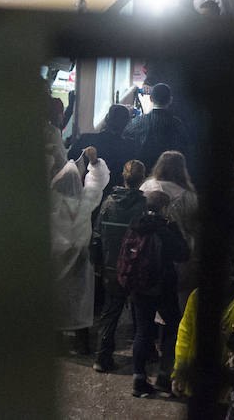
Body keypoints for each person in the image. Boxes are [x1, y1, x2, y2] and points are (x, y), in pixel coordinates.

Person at [121, 190, 190, 398]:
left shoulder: (136, 224)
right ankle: (163, 376)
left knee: (142, 331)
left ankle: (138, 380)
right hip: (163, 285)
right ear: (164, 207)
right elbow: (183, 254)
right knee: (173, 326)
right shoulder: (165, 228)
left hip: (139, 287)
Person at [49, 134, 110, 356]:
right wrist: (94, 163)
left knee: (55, 301)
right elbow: (97, 183)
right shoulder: (85, 204)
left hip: (56, 260)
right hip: (80, 260)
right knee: (80, 302)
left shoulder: (50, 205)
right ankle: (82, 344)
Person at [94, 160, 147, 373]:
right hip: (136, 267)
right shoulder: (144, 205)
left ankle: (101, 357)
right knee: (141, 313)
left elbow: (97, 235)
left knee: (110, 313)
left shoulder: (108, 203)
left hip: (111, 266)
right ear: (142, 179)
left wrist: (98, 263)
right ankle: (144, 356)